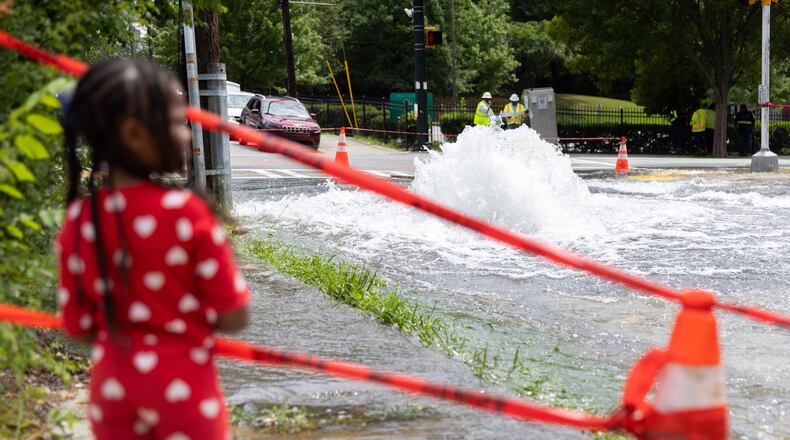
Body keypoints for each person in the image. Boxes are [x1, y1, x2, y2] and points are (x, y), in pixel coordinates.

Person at [56, 58, 250, 439]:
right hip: (185, 391)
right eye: (176, 122)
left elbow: (78, 327)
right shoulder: (187, 213)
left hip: (112, 392)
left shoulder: (81, 219)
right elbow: (235, 314)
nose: (185, 131)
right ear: (133, 133)